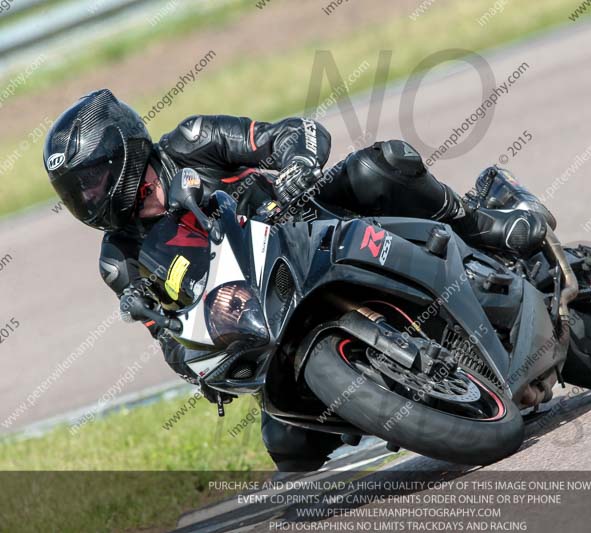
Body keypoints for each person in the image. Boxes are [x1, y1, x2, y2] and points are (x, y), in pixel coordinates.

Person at [43, 89, 549, 471]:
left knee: (384, 164)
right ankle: (400, 399)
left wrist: (298, 164)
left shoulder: (193, 142)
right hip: (266, 321)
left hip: (317, 226)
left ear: (124, 156)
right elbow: (167, 341)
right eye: (75, 192)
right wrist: (194, 356)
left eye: (91, 181)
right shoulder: (121, 258)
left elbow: (292, 132)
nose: (87, 199)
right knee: (288, 447)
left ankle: (480, 228)